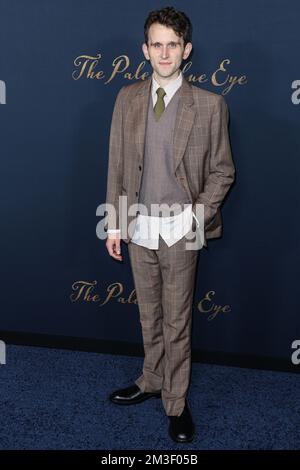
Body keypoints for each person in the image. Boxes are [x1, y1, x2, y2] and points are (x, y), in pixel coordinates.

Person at [104, 6, 235, 443]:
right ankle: (151, 380)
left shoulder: (210, 105)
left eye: (172, 45)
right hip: (139, 225)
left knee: (178, 321)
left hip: (184, 227)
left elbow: (222, 172)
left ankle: (176, 404)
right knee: (149, 315)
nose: (164, 52)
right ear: (145, 50)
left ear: (186, 50)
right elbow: (118, 168)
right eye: (156, 44)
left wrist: (195, 217)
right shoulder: (127, 98)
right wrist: (116, 224)